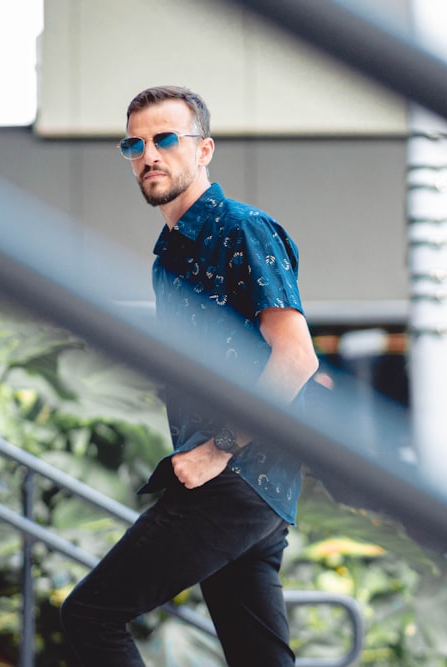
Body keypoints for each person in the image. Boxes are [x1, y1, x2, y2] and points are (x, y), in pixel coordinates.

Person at [60, 85, 319, 666]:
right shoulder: (168, 256)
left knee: (90, 615)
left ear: (203, 150)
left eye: (165, 138)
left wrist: (219, 450)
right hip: (248, 485)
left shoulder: (242, 229)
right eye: (135, 143)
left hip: (235, 474)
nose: (148, 154)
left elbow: (297, 358)